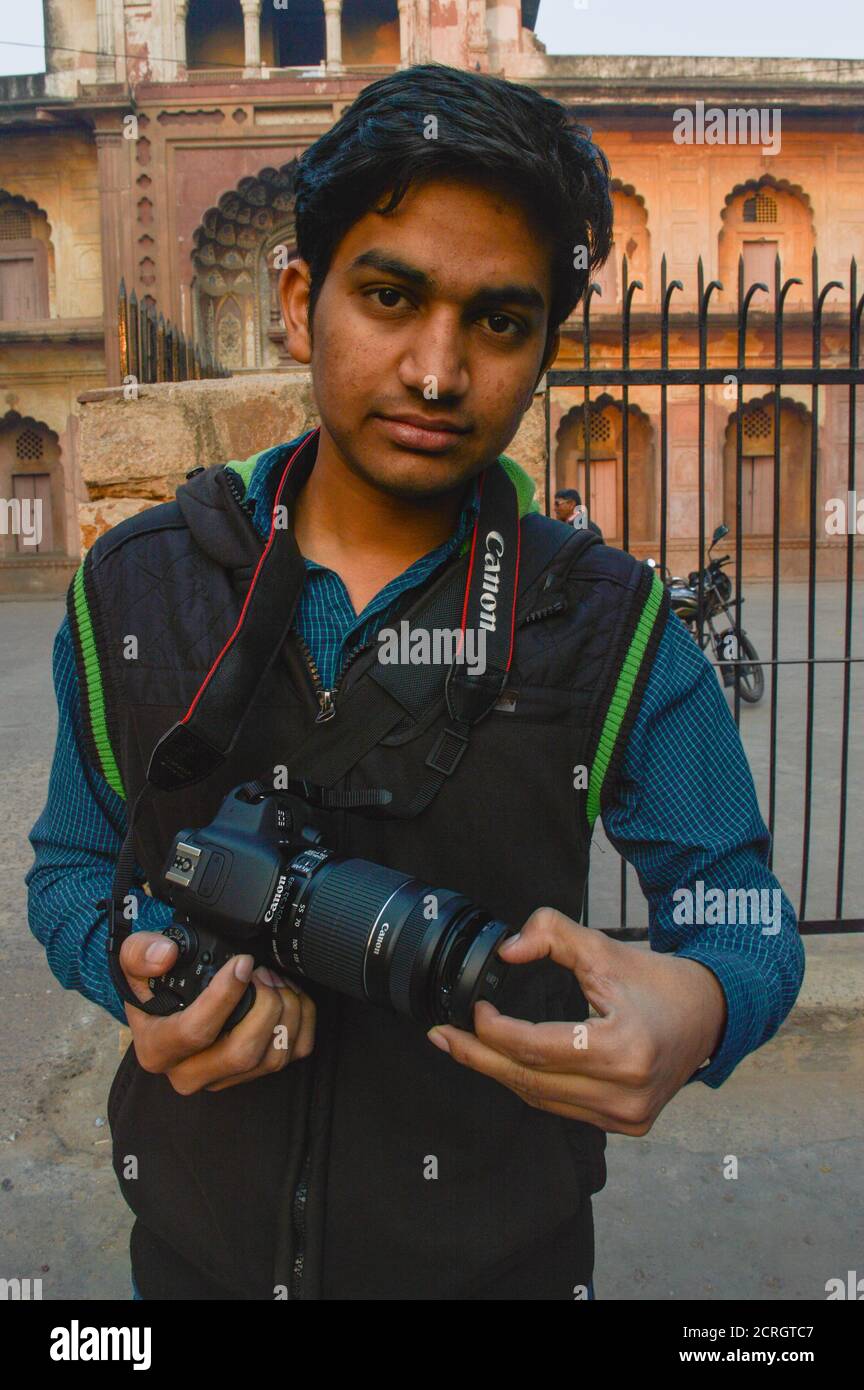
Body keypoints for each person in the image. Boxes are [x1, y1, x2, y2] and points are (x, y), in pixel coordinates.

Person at [26, 64, 803, 1302]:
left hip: (505, 1264)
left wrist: (700, 1006)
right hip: (193, 1253)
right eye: (390, 297)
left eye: (498, 321)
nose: (438, 373)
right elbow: (72, 864)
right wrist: (126, 959)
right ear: (298, 299)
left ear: (546, 344)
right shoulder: (133, 590)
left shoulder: (612, 625)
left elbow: (743, 908)